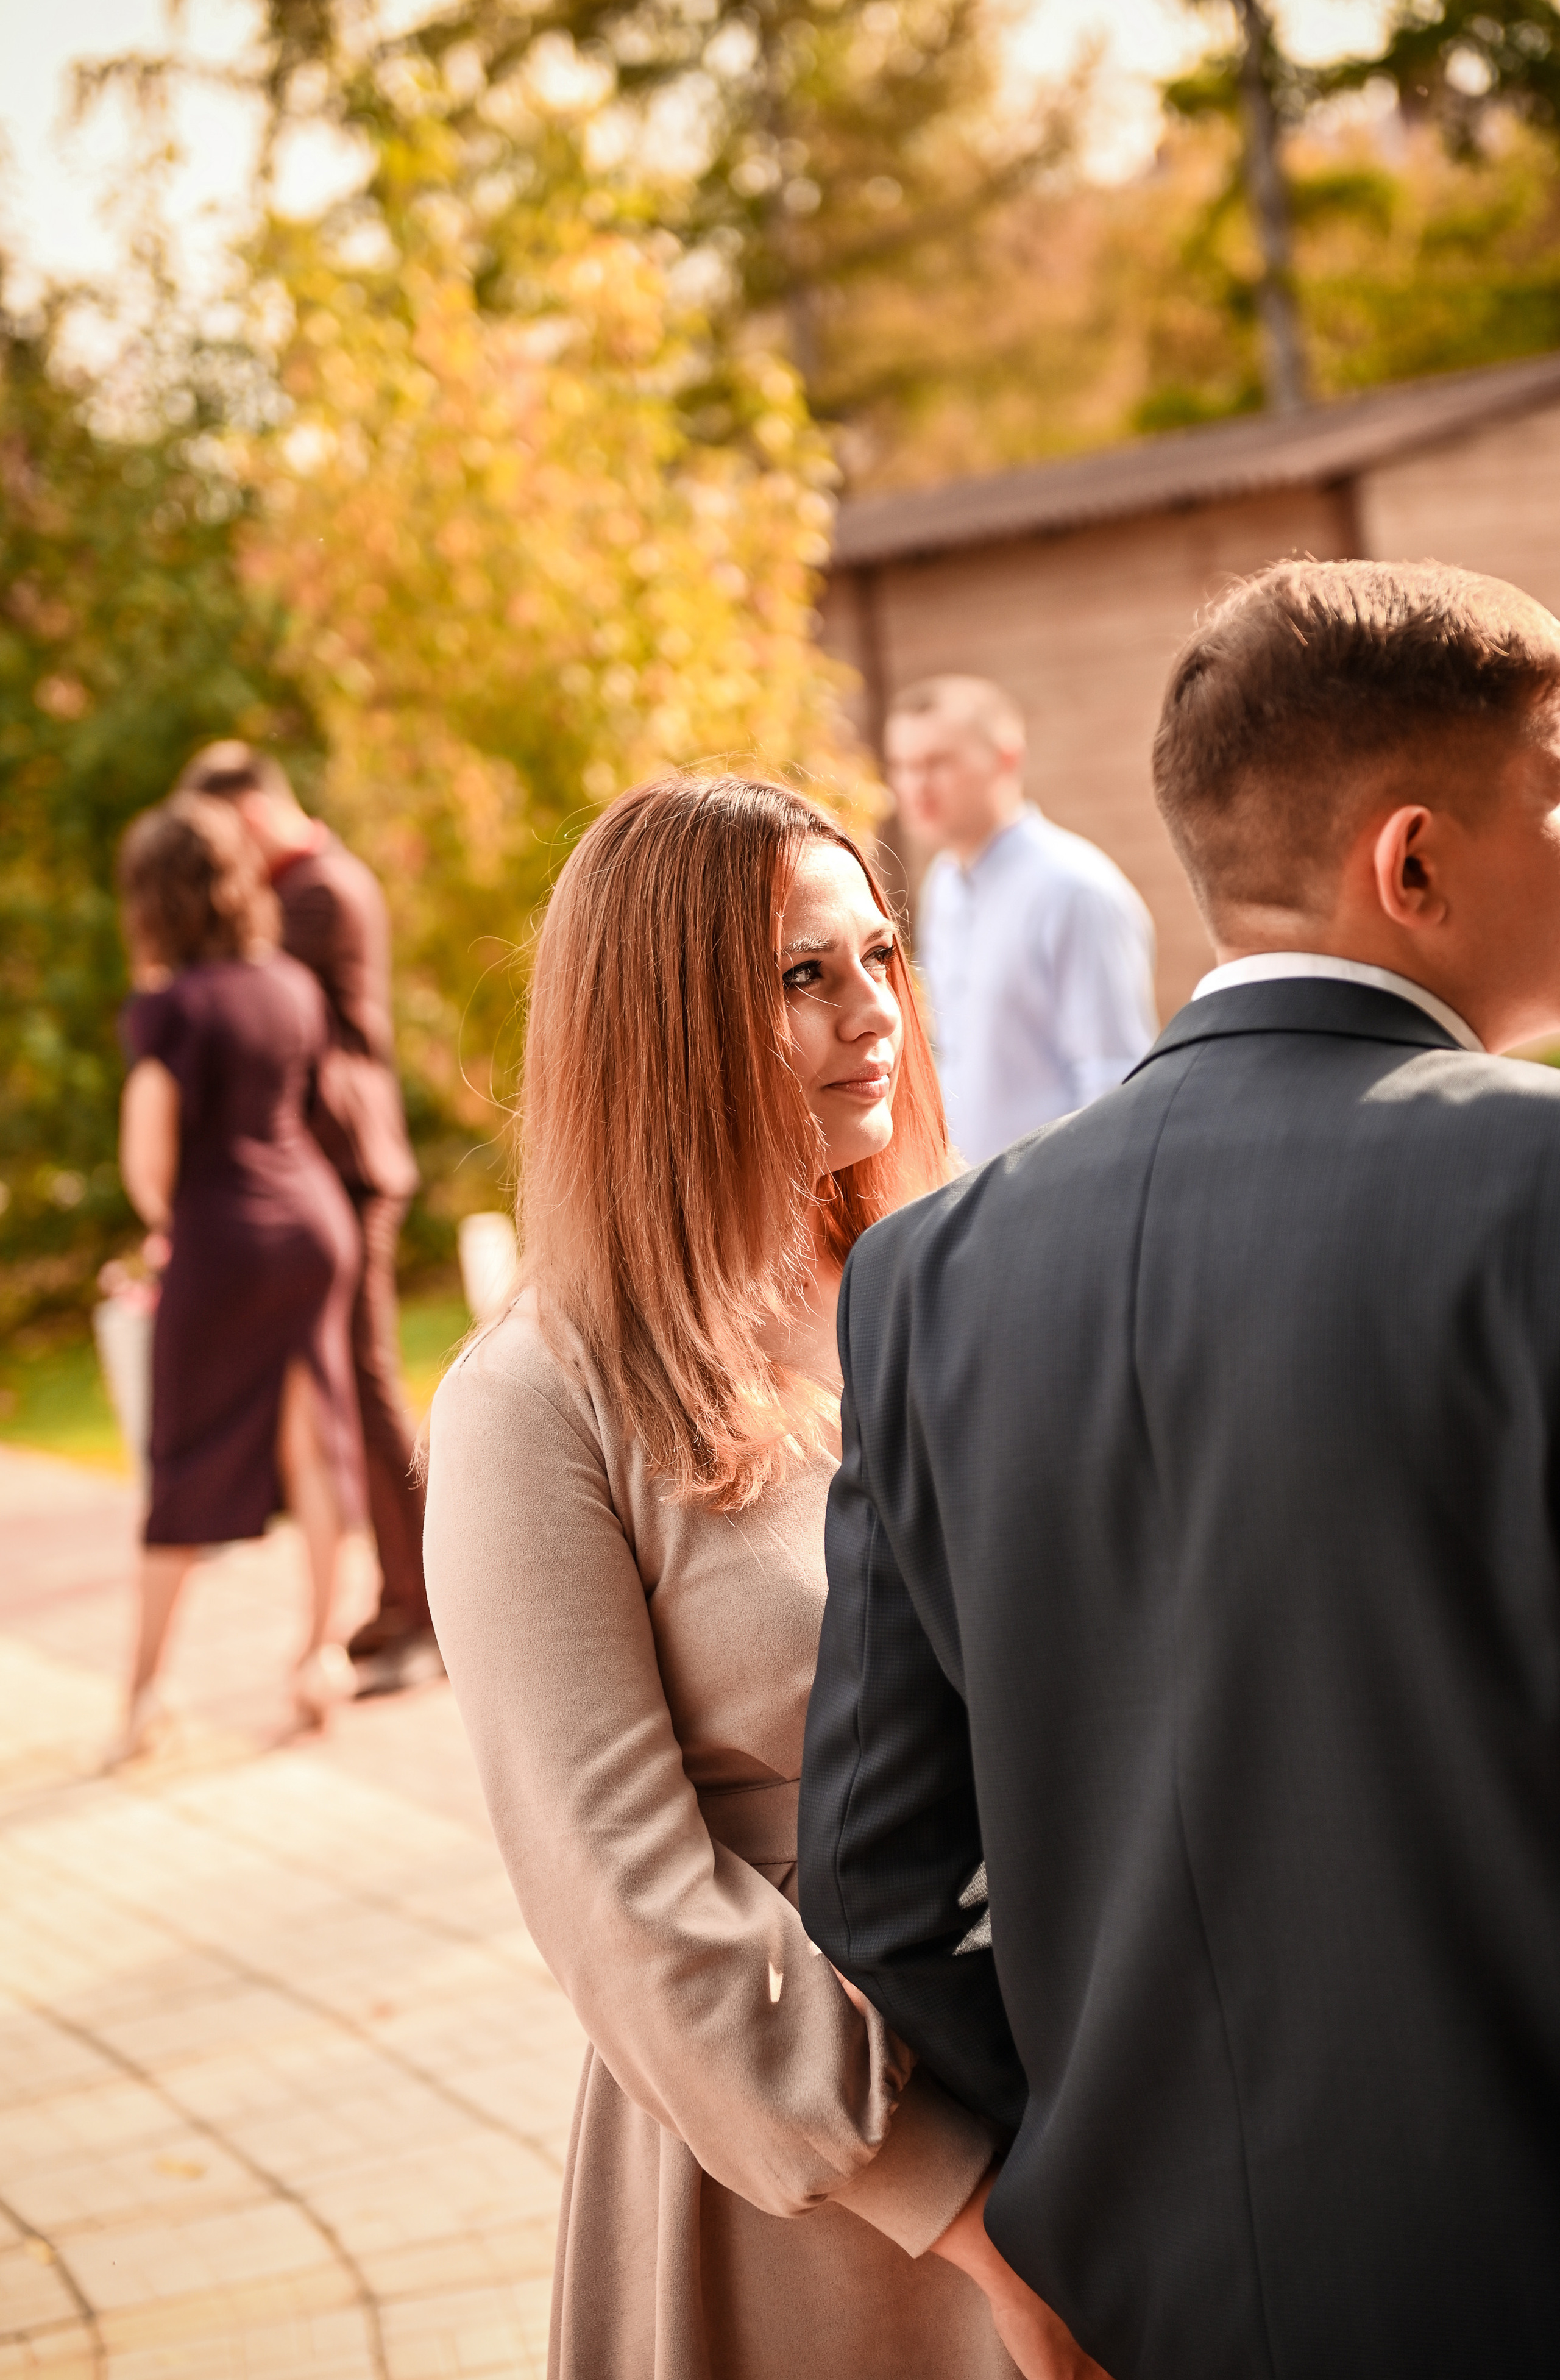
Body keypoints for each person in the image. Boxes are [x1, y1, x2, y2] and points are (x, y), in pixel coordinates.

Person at [799, 559, 1560, 2378]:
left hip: (1149, 2284)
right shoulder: (1535, 1191)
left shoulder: (931, 1269)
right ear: (1413, 861)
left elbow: (874, 1875)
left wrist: (1101, 2159)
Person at [424, 775, 1095, 2380]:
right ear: (660, 1021)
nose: (874, 1012)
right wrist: (962, 2212)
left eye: (881, 956)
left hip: (1077, 2083)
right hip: (817, 2191)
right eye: (805, 976)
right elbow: (625, 1904)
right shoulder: (537, 1404)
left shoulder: (946, 1298)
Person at [176, 743, 436, 1694]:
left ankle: (427, 1610)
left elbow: (254, 1009)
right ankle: (400, 1595)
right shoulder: (309, 887)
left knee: (365, 1384)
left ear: (249, 814)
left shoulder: (317, 891)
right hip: (327, 1165)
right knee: (344, 1386)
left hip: (349, 1162)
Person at [113, 792, 365, 1759]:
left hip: (221, 1237)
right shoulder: (289, 986)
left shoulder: (168, 1006)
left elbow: (150, 1157)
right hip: (314, 1225)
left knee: (181, 1455)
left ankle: (145, 1696)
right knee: (315, 1446)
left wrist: (162, 1226)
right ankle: (319, 1658)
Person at [886, 675, 1156, 1163]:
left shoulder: (1076, 891)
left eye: (937, 763)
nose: (916, 785)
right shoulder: (943, 884)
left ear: (1008, 758)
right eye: (903, 766)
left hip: (1053, 1211)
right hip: (966, 1200)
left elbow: (1115, 1081)